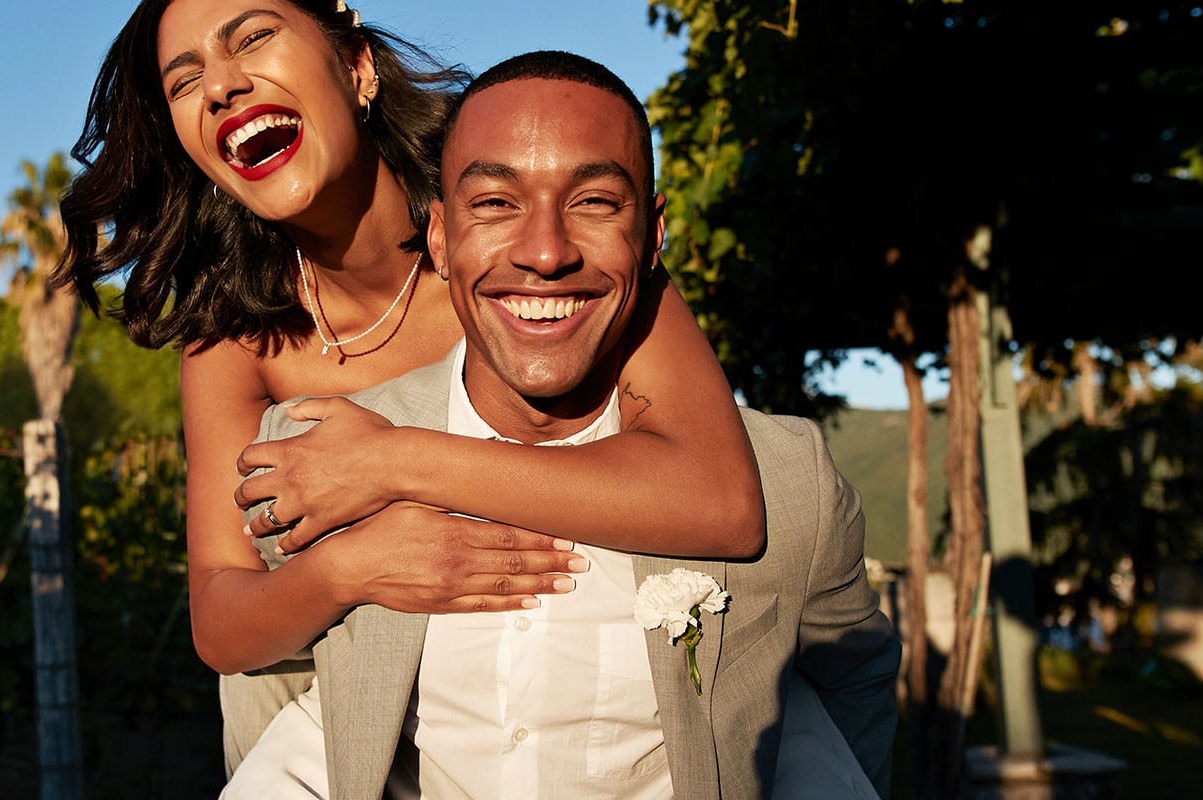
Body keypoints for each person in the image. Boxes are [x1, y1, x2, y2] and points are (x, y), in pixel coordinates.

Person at [52, 0, 767, 772]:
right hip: (323, 742)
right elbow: (222, 624)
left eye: (253, 37)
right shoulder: (230, 337)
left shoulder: (527, 239)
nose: (221, 86)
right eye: (186, 81)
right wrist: (349, 567)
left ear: (357, 67)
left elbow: (719, 501)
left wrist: (393, 462)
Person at [226, 51, 900, 798]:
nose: (546, 253)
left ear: (652, 235)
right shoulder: (315, 461)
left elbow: (851, 691)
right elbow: (267, 687)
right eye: (495, 203)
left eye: (596, 202)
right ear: (440, 237)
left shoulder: (788, 484)